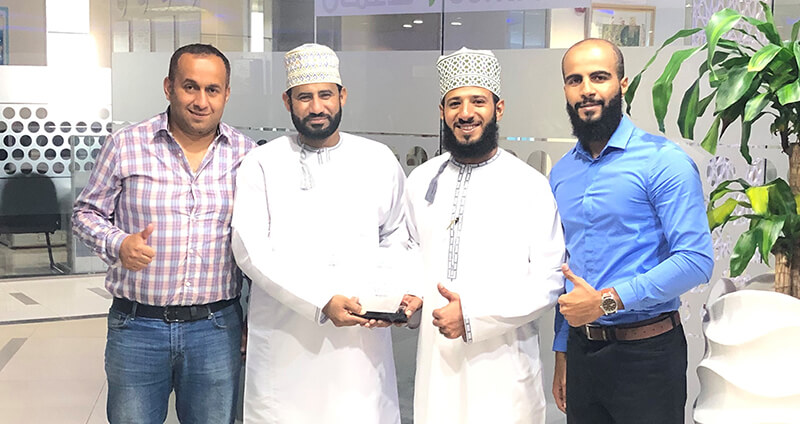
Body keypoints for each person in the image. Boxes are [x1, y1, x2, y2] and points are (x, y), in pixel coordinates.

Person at [72, 44, 255, 424]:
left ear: (226, 94)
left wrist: (254, 318)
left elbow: (259, 244)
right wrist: (118, 243)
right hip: (138, 327)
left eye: (212, 89)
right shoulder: (126, 145)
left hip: (216, 328)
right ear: (169, 87)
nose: (201, 101)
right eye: (190, 87)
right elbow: (85, 213)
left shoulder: (247, 156)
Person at [231, 43, 412, 424]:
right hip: (286, 340)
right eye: (304, 97)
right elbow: (250, 250)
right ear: (287, 101)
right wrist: (320, 301)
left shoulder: (377, 159)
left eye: (326, 95)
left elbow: (398, 234)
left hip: (361, 344)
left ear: (342, 96)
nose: (316, 107)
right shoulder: (261, 163)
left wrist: (392, 298)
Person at [550, 38, 714, 423]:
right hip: (582, 352)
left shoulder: (663, 161)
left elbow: (695, 260)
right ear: (566, 91)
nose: (587, 89)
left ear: (622, 85)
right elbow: (567, 268)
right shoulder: (561, 173)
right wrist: (562, 350)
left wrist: (608, 301)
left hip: (648, 356)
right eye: (575, 80)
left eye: (599, 77)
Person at [405, 47, 565, 423]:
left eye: (478, 101)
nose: (465, 113)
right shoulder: (420, 180)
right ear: (442, 112)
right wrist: (405, 296)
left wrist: (474, 315)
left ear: (499, 108)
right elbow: (407, 251)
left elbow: (549, 279)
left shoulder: (529, 185)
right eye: (454, 103)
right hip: (436, 363)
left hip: (504, 369)